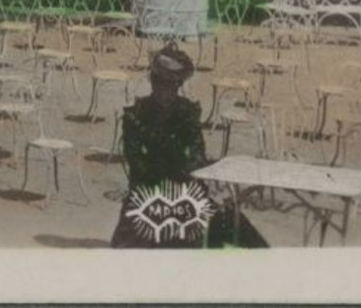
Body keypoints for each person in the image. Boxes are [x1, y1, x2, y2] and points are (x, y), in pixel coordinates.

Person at [110, 44, 267, 248]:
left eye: (172, 86)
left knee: (234, 222)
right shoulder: (136, 115)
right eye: (162, 85)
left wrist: (188, 180)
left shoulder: (186, 112)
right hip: (148, 196)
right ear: (153, 83)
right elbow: (137, 163)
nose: (166, 92)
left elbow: (197, 156)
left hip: (187, 193)